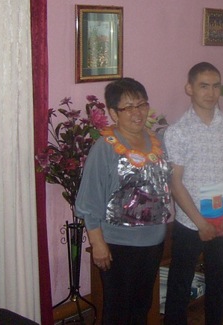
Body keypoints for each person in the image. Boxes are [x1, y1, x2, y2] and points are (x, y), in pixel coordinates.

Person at [75, 78, 172, 324]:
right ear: (113, 113)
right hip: (118, 245)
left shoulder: (157, 142)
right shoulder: (104, 147)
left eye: (141, 104)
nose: (137, 113)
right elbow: (90, 199)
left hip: (153, 241)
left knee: (141, 307)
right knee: (117, 311)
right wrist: (97, 243)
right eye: (128, 107)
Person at [163, 62, 223, 325]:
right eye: (203, 86)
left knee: (219, 284)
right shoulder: (177, 132)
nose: (211, 93)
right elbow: (175, 183)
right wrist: (200, 223)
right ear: (190, 88)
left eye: (215, 86)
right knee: (179, 285)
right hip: (190, 221)